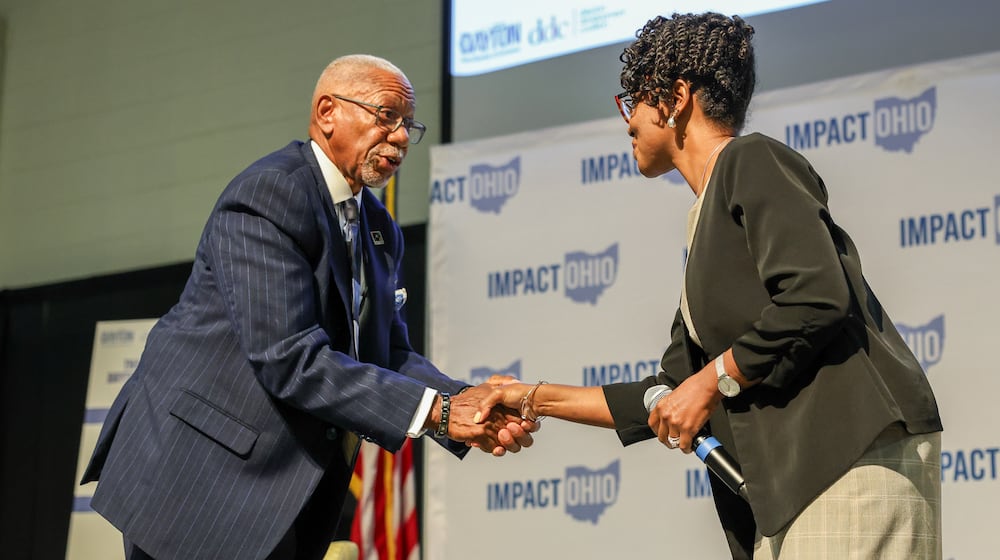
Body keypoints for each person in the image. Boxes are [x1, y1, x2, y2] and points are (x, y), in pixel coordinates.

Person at [487, 12, 942, 560]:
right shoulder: (703, 219)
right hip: (792, 491)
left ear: (676, 98)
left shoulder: (751, 159)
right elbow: (667, 390)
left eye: (633, 102)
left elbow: (816, 295)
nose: (627, 123)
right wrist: (530, 397)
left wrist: (714, 378)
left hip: (848, 462)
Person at [81, 54, 534, 560]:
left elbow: (388, 353)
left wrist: (467, 399)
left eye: (409, 124)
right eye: (387, 116)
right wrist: (439, 412)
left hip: (279, 490)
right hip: (198, 477)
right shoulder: (271, 193)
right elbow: (288, 357)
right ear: (327, 112)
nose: (401, 137)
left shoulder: (379, 228)